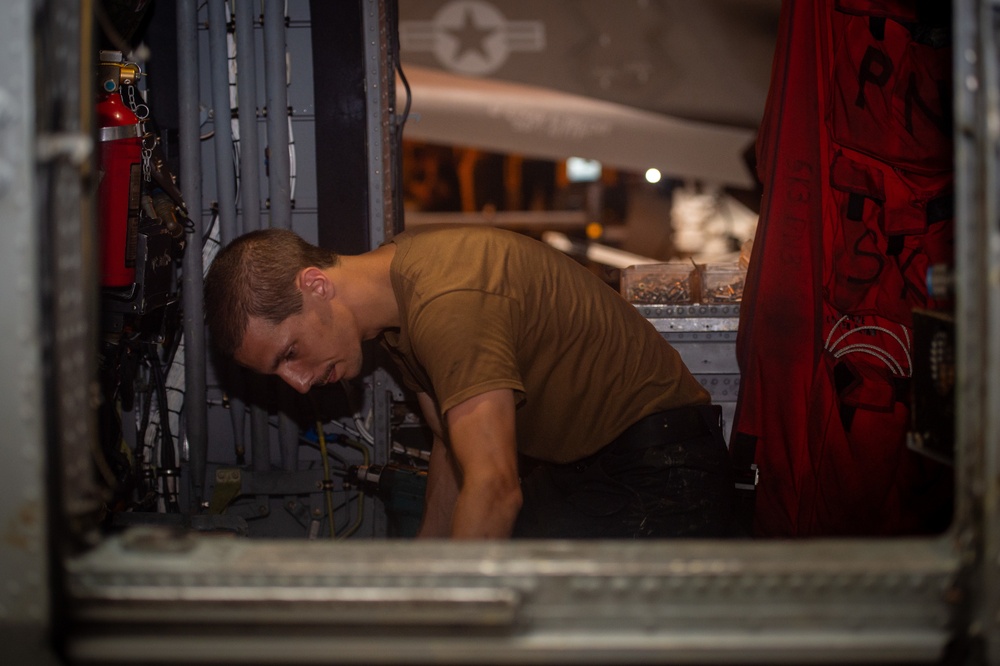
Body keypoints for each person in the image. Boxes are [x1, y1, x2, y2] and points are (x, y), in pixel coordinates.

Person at [204, 225, 735, 539]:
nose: (297, 384)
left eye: (290, 353)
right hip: (597, 467)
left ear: (315, 285)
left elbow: (494, 489)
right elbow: (450, 448)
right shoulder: (395, 307)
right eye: (278, 373)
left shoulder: (444, 303)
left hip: (664, 468)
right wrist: (427, 573)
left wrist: (446, 629)